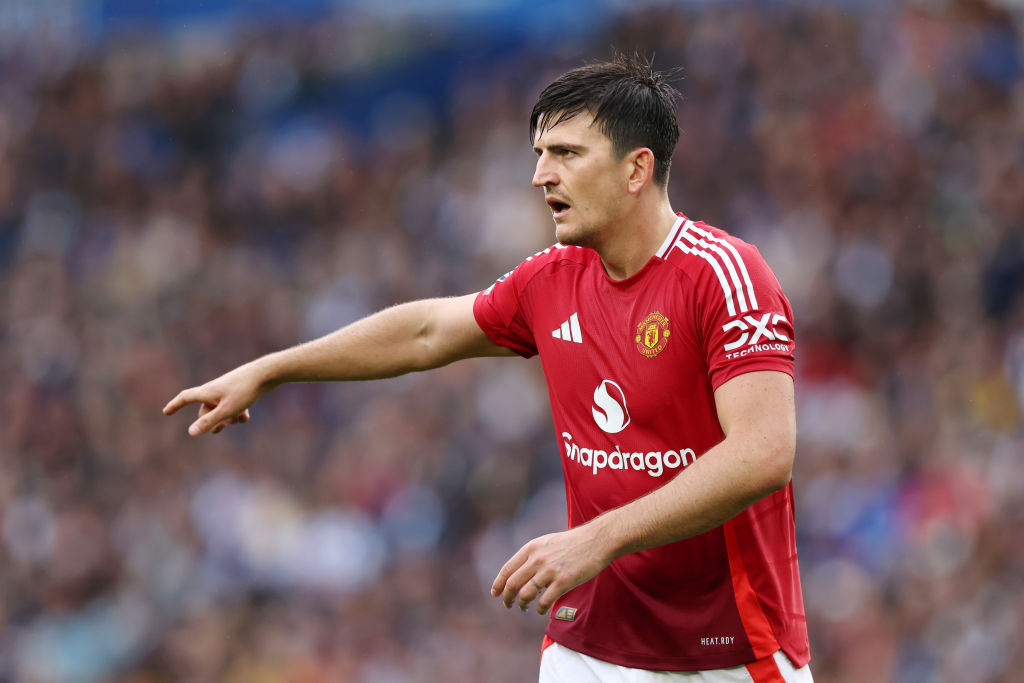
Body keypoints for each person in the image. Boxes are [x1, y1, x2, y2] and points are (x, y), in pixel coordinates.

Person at [164, 55, 813, 682]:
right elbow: (424, 333)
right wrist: (274, 368)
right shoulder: (550, 280)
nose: (541, 175)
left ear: (636, 168)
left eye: (566, 153)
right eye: (539, 154)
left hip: (731, 649)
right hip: (592, 646)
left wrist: (599, 538)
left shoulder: (725, 278)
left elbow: (763, 452)